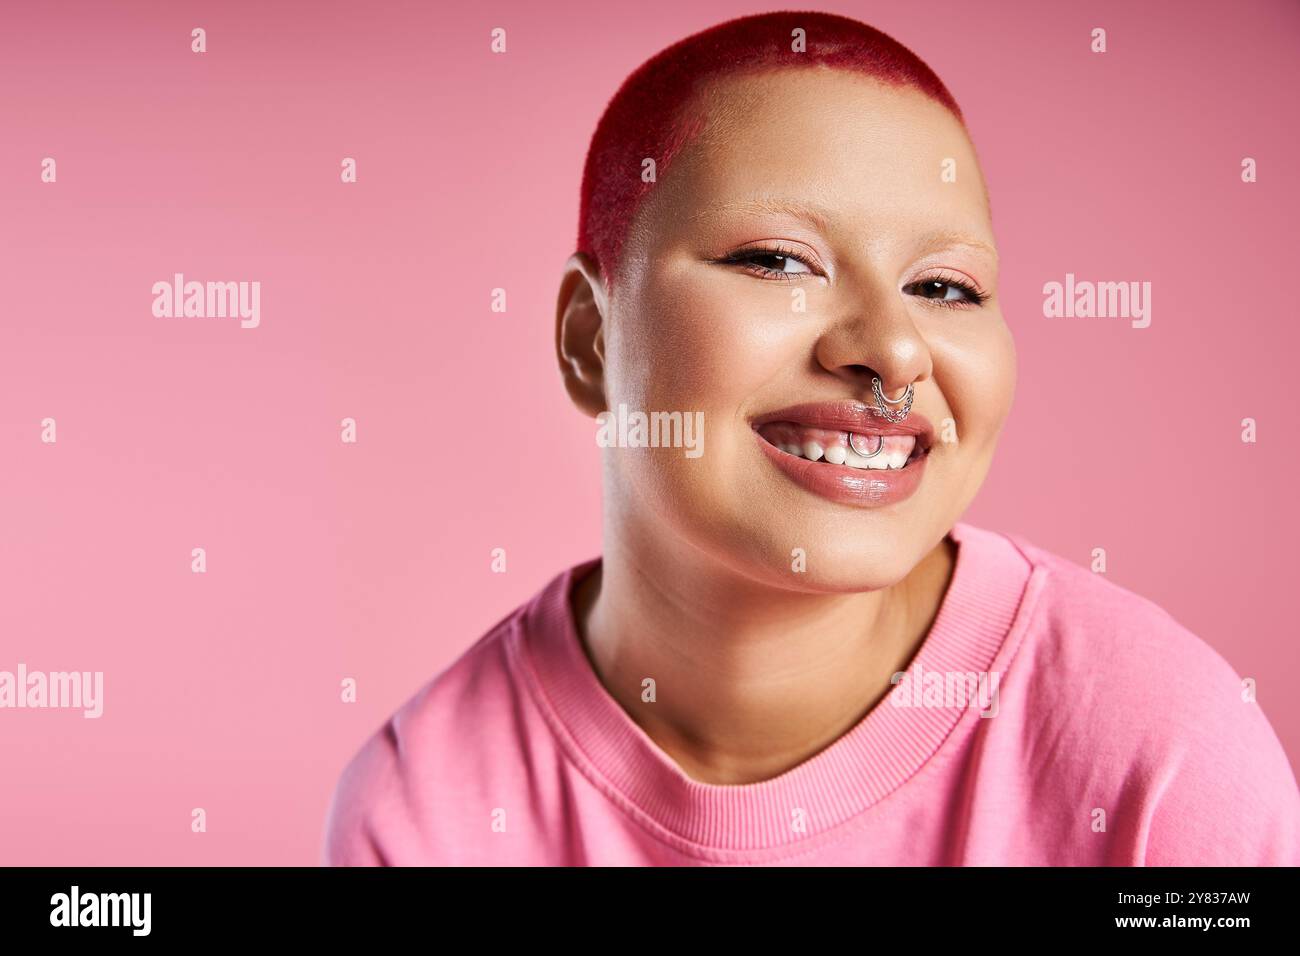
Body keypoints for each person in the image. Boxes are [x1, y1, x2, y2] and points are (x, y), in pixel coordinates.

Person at [323, 10, 1299, 866]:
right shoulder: (425, 806)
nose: (890, 350)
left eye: (944, 286)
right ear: (591, 339)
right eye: (779, 259)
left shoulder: (1157, 744)